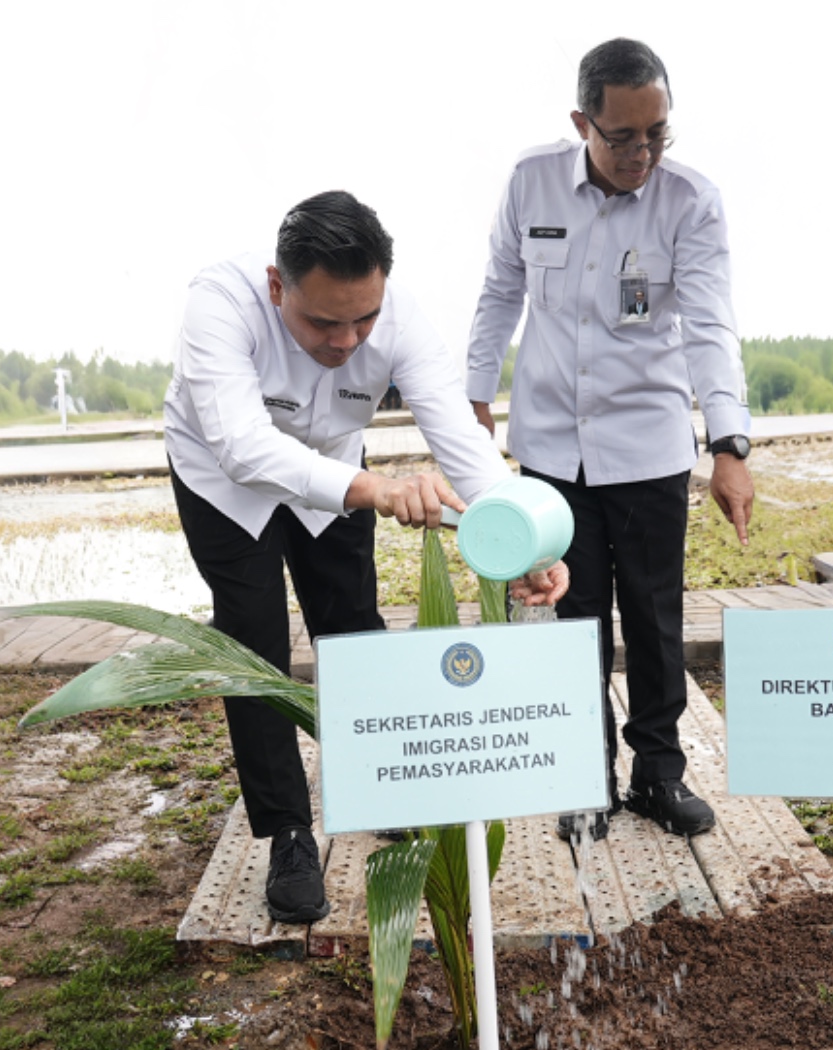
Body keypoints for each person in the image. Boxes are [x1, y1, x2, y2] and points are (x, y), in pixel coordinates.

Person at [165, 191, 568, 922]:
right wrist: (375, 489)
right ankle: (288, 832)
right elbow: (240, 444)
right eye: (324, 322)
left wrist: (525, 539)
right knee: (253, 641)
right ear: (277, 285)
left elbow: (461, 445)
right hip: (224, 482)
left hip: (337, 473)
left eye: (364, 319)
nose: (348, 340)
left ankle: (382, 785)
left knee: (351, 622)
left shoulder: (401, 318)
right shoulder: (218, 304)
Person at [466, 38, 754, 842]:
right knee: (572, 619)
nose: (643, 153)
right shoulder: (532, 183)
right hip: (553, 448)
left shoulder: (690, 200)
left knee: (656, 619)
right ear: (581, 122)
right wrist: (472, 394)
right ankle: (582, 778)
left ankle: (658, 774)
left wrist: (728, 441)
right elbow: (498, 293)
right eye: (623, 136)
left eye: (657, 133)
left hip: (648, 445)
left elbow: (709, 325)